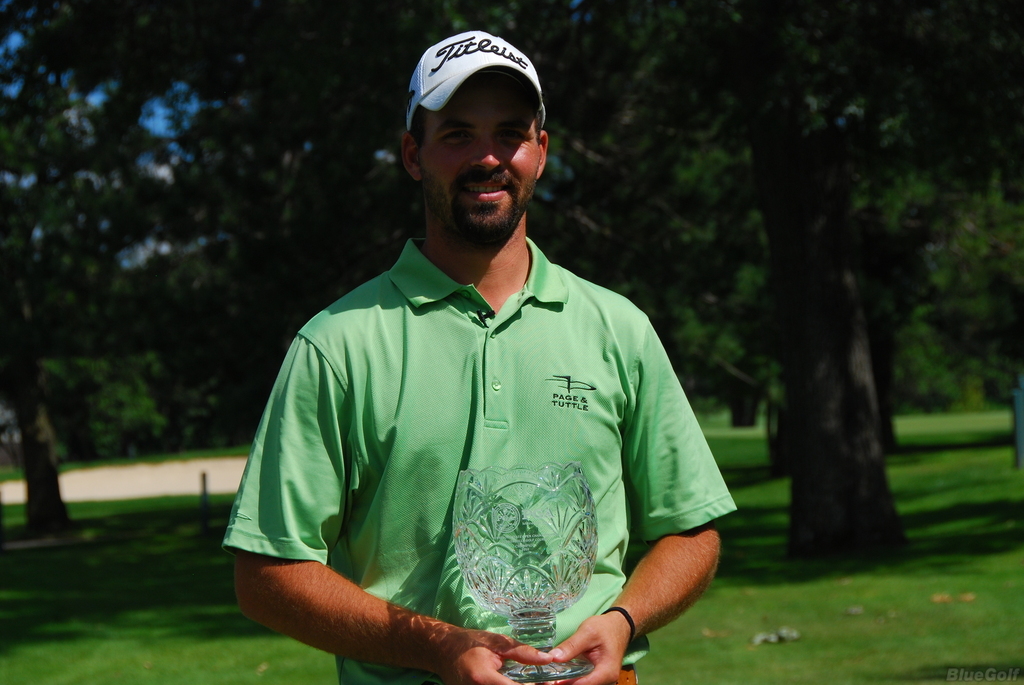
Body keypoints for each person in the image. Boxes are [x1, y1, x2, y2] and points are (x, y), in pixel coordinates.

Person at [223, 30, 736, 685]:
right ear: (414, 154)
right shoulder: (336, 345)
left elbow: (692, 531)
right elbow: (264, 575)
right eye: (458, 134)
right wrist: (436, 646)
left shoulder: (619, 328)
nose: (489, 157)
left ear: (541, 152)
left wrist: (625, 620)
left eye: (511, 133)